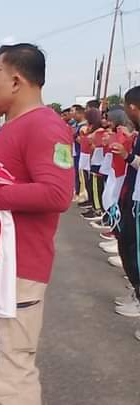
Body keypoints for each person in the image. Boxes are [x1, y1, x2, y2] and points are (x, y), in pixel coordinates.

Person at [0, 43, 73, 405]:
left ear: (16, 81)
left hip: (18, 271)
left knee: (10, 373)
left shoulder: (45, 126)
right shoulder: (10, 128)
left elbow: (56, 194)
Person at [110, 87, 140, 337]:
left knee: (131, 248)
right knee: (128, 245)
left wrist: (127, 155)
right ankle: (136, 291)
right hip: (133, 195)